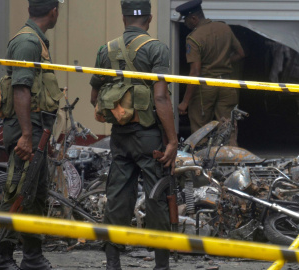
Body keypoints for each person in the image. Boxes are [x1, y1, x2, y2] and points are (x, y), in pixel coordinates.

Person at [89, 0, 177, 269]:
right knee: (156, 196)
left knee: (117, 196)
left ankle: (113, 262)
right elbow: (160, 98)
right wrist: (172, 140)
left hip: (120, 135)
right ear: (149, 18)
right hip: (149, 136)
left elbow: (95, 97)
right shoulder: (156, 48)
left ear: (124, 17)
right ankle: (161, 264)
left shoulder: (105, 51)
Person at [0, 0, 64, 269]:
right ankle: (3, 259)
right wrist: (25, 135)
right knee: (18, 192)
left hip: (38, 132)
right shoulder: (28, 42)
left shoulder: (37, 40)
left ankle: (32, 257)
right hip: (28, 131)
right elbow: (21, 89)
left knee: (36, 196)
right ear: (53, 11)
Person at [176, 0, 245, 145]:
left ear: (194, 18)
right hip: (226, 84)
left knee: (200, 129)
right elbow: (240, 53)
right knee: (228, 127)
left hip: (205, 87)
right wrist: (223, 62)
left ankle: (201, 163)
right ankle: (231, 163)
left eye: (185, 19)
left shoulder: (194, 38)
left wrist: (185, 102)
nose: (185, 23)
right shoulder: (224, 28)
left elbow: (195, 72)